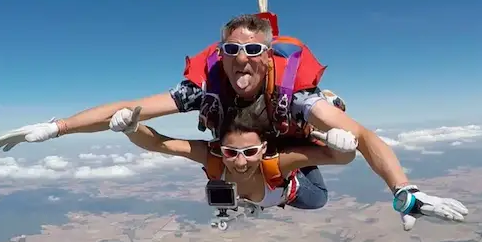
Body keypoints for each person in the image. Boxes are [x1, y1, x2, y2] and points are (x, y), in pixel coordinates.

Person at [0, 13, 469, 230]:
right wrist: (56, 128)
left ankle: (267, 186)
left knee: (324, 141)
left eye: (253, 50)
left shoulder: (296, 96)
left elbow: (362, 138)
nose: (241, 60)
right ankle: (242, 195)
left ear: (267, 56)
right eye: (231, 50)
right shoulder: (203, 90)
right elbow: (130, 111)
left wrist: (402, 190)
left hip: (284, 146)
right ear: (220, 55)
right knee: (229, 164)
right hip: (241, 151)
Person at [120, 96, 358, 210]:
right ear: (219, 148)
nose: (241, 162)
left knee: (319, 200)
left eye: (250, 151)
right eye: (231, 152)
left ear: (263, 148)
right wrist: (133, 129)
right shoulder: (210, 155)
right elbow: (159, 144)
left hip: (291, 190)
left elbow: (338, 159)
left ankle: (315, 117)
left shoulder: (279, 162)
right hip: (264, 195)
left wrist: (343, 146)